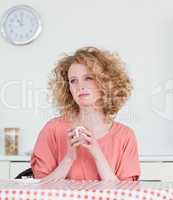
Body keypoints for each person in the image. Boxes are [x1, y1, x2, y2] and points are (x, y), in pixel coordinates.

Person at [31, 46, 140, 183]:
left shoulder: (125, 136)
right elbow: (40, 187)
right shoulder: (53, 130)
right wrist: (69, 158)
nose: (80, 86)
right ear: (68, 88)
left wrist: (97, 153)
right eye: (73, 80)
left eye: (88, 78)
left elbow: (125, 193)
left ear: (105, 83)